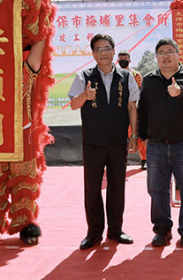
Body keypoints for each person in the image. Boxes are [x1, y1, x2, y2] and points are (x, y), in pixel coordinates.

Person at [68, 34, 139, 250]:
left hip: (118, 141)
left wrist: (134, 135)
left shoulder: (126, 77)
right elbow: (73, 105)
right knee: (92, 187)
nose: (103, 53)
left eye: (107, 48)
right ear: (93, 54)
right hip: (93, 141)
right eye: (98, 49)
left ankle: (116, 231)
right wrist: (84, 96)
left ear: (113, 51)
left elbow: (132, 107)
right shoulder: (84, 76)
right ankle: (94, 232)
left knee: (117, 187)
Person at [138, 38, 183, 248]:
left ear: (178, 54)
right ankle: (162, 230)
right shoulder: (149, 80)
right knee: (156, 189)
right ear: (156, 57)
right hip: (157, 145)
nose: (165, 56)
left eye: (169, 51)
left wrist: (181, 93)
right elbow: (143, 110)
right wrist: (142, 135)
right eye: (161, 53)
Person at [117, 50, 147, 170]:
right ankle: (120, 160)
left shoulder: (136, 75)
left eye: (125, 58)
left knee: (137, 135)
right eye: (120, 58)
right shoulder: (115, 74)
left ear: (129, 60)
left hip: (134, 109)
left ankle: (144, 159)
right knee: (120, 136)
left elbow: (141, 92)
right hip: (118, 110)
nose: (122, 60)